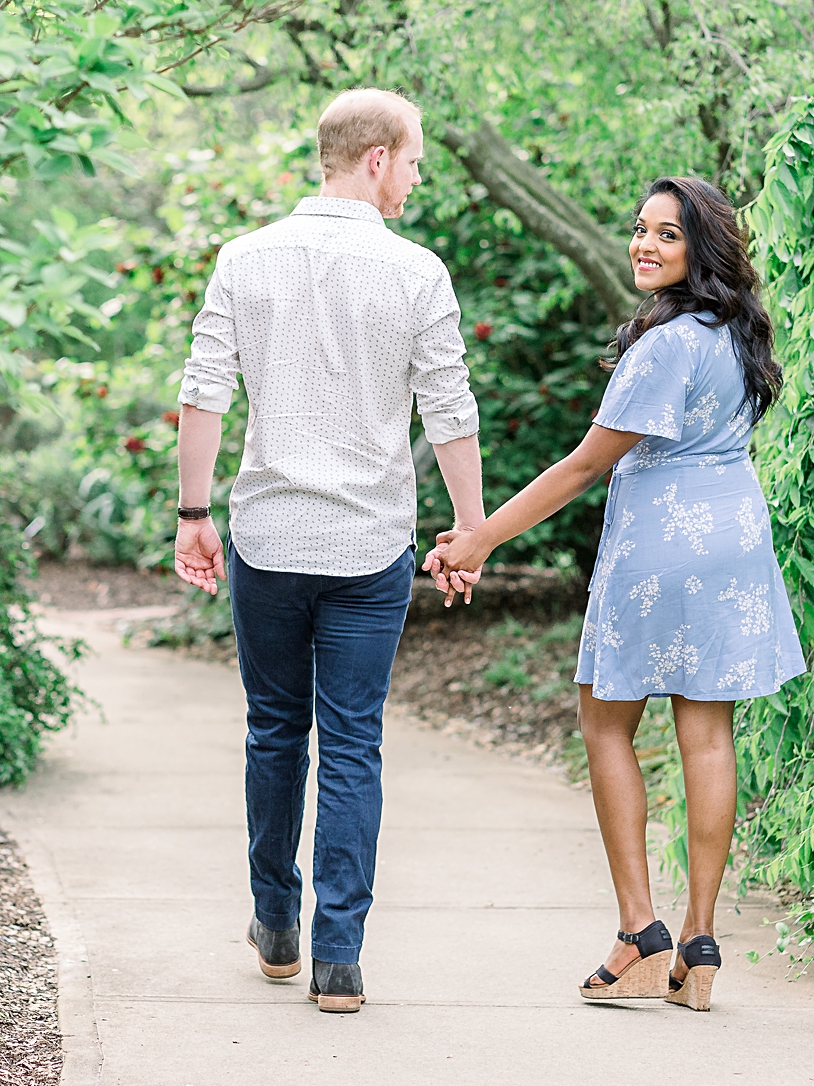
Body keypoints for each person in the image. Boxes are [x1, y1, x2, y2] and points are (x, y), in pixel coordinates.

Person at [426, 175, 804, 1011]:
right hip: (735, 537)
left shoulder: (664, 346)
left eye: (667, 235)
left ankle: (641, 929)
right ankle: (699, 943)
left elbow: (586, 463)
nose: (644, 244)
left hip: (663, 539)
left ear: (700, 249)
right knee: (707, 730)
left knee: (606, 718)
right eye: (640, 229)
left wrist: (481, 535)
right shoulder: (734, 330)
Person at [172, 88, 485, 1014]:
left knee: (275, 728)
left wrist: (194, 513)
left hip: (268, 537)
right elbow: (450, 408)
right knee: (354, 740)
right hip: (367, 547)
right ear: (378, 157)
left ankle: (275, 923)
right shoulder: (417, 272)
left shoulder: (245, 257)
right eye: (415, 160)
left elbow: (203, 393)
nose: (417, 178)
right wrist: (468, 530)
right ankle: (338, 957)